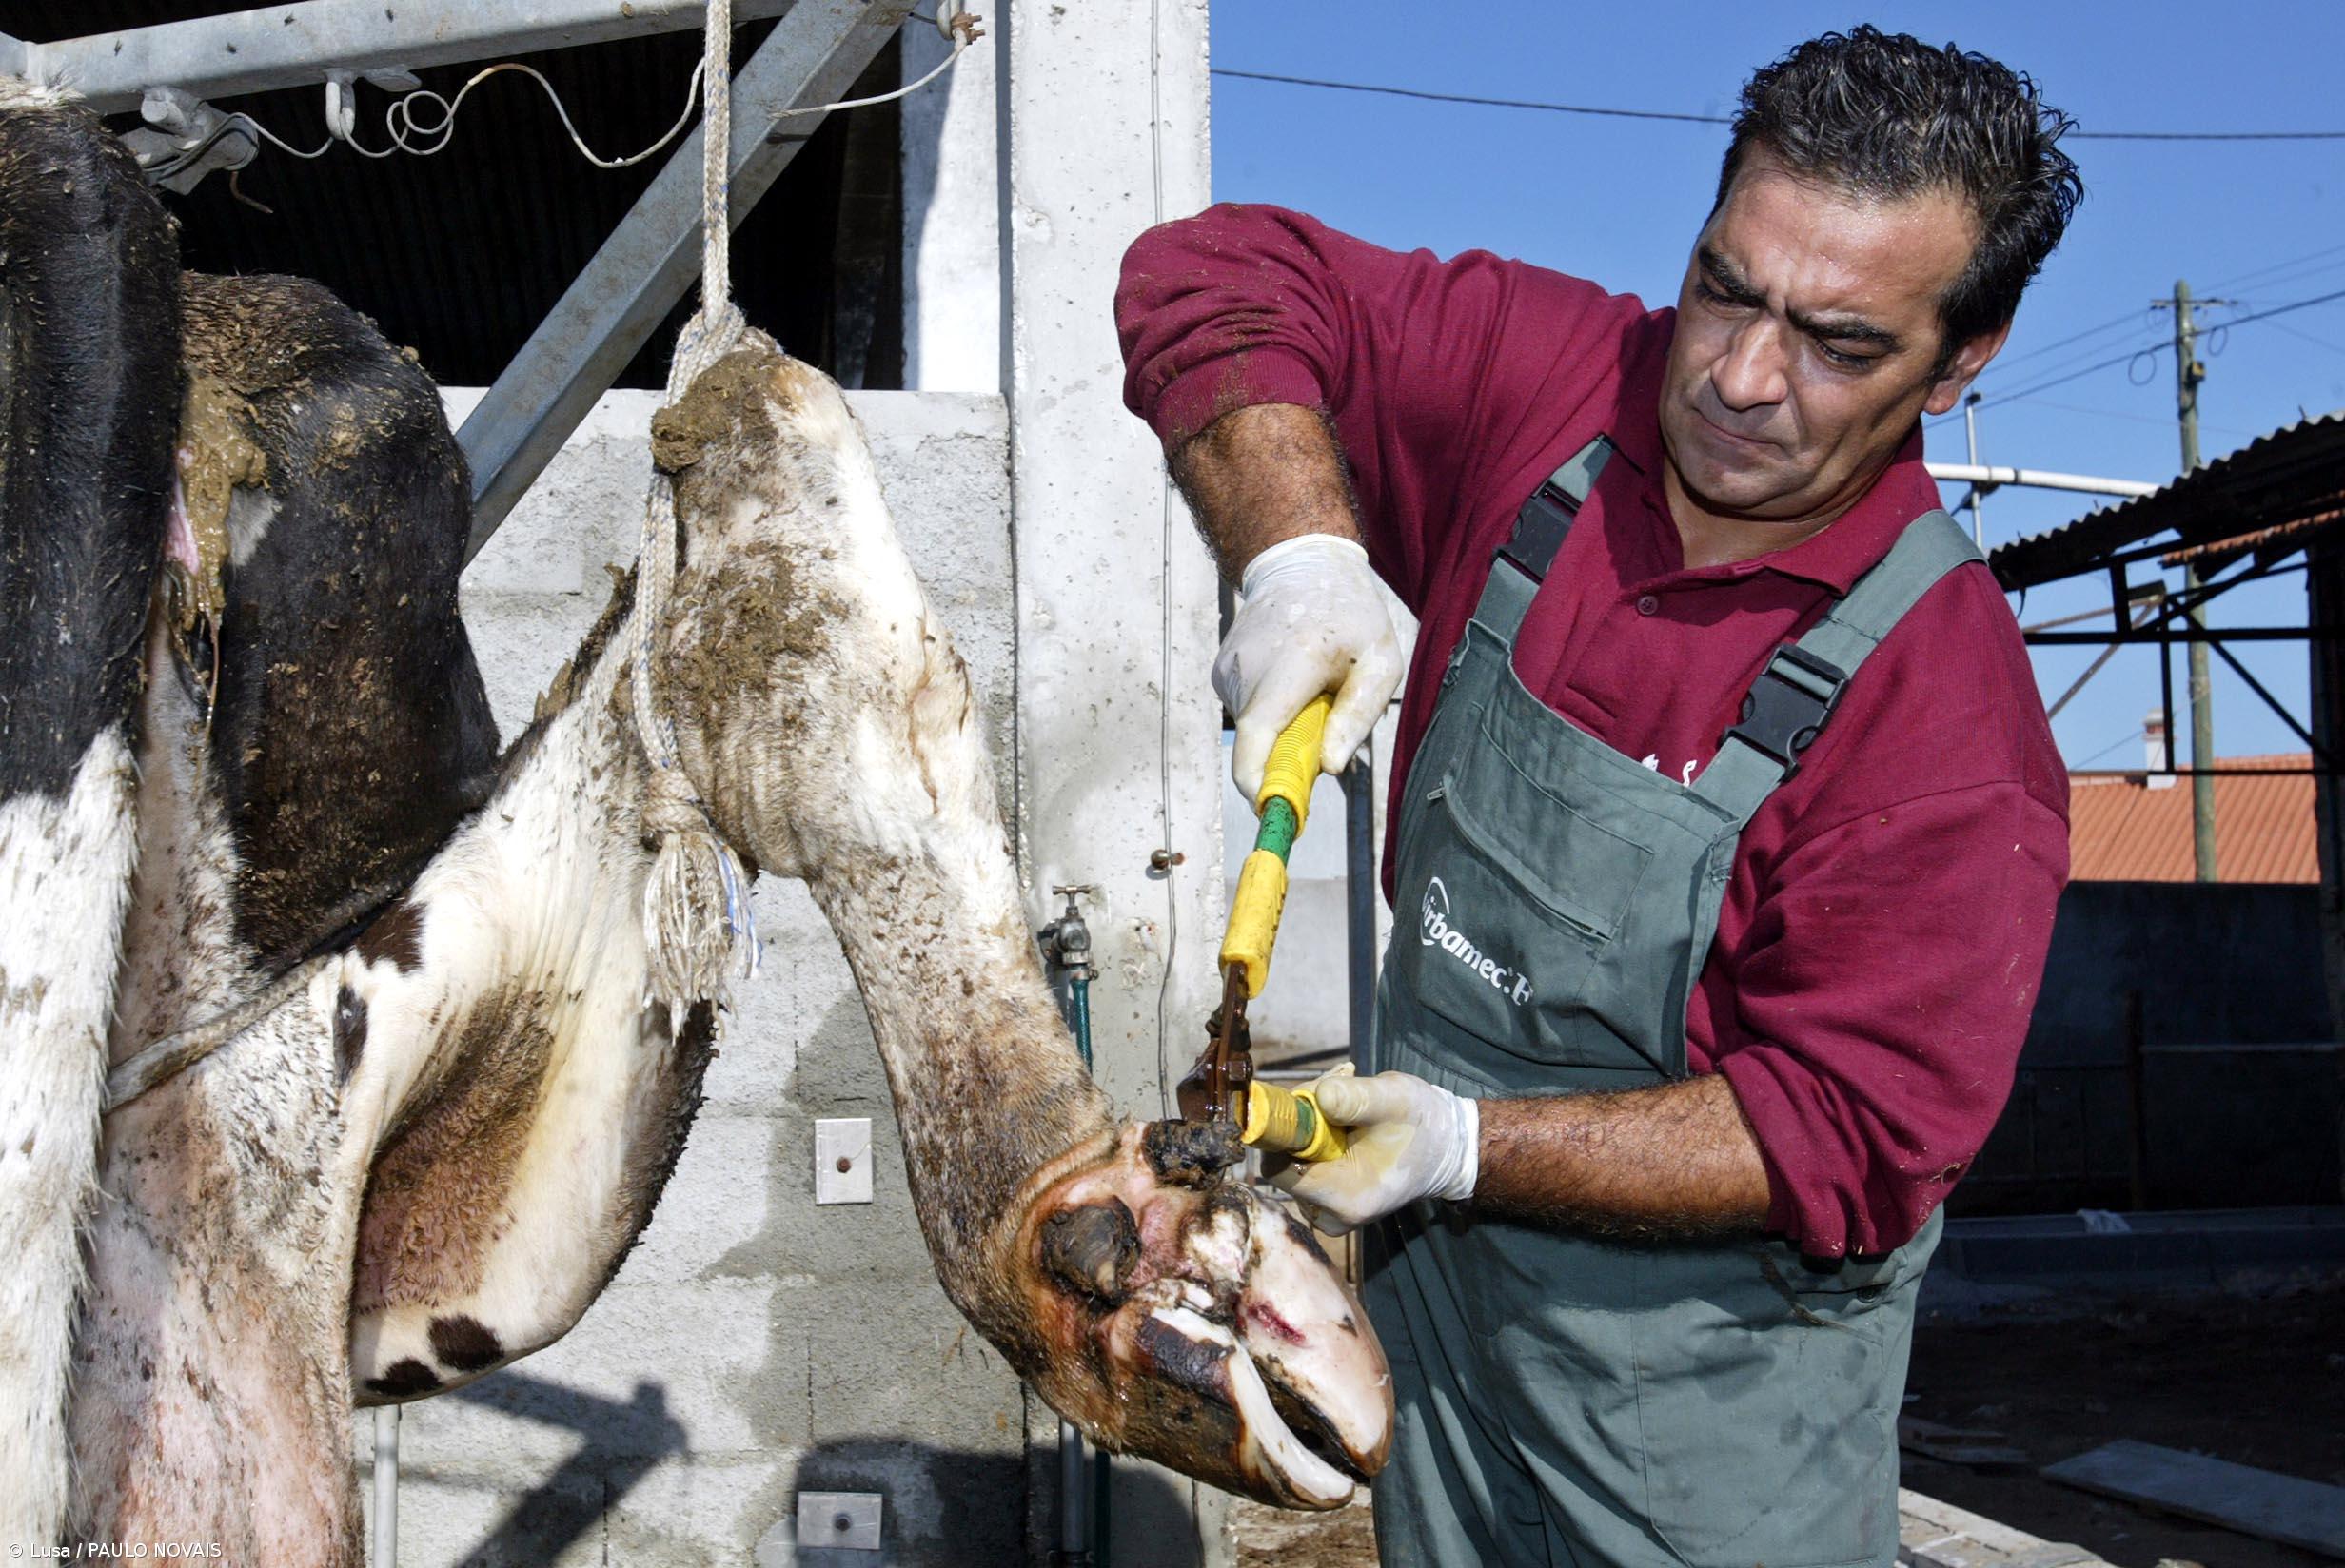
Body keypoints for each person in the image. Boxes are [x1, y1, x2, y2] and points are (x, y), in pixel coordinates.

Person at [1116, 27, 2079, 1567]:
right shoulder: (1547, 381)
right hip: (1444, 1356)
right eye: (1725, 288)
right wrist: (1294, 549)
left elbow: (1850, 1129)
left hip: (1707, 1430)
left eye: (1840, 345)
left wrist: (1465, 1148)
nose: (1743, 382)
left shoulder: (1945, 719)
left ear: (1963, 359)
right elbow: (1211, 273)